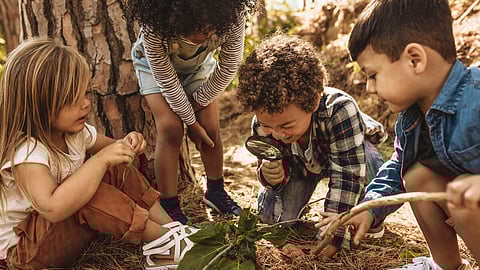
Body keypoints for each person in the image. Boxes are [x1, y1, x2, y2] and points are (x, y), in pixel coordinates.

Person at [0, 38, 198, 270]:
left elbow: (114, 150)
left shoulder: (75, 133)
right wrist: (101, 160)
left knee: (114, 167)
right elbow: (53, 209)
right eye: (71, 100)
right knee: (88, 191)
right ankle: (163, 242)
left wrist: (128, 143)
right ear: (37, 105)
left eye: (85, 94)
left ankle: (171, 229)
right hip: (24, 254)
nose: (85, 105)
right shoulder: (28, 154)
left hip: (58, 236)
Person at [343, 0, 480, 269]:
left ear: (414, 59)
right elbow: (397, 167)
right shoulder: (411, 118)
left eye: (373, 75)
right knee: (416, 174)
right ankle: (445, 265)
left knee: (465, 184)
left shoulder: (475, 96)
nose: (370, 88)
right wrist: (369, 209)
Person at [236, 34, 387, 257]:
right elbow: (267, 169)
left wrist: (332, 236)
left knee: (371, 162)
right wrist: (271, 177)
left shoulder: (340, 110)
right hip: (301, 167)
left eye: (287, 124)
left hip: (347, 156)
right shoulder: (264, 123)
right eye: (269, 126)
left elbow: (348, 175)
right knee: (271, 218)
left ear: (314, 101)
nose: (277, 133)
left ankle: (371, 217)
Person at [125, 0, 256, 224]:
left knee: (211, 127)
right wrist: (191, 124)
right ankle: (169, 204)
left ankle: (216, 191)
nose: (201, 35)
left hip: (198, 68)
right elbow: (166, 80)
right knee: (171, 128)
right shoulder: (154, 26)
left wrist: (196, 108)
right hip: (154, 69)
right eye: (193, 28)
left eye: (208, 29)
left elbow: (228, 67)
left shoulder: (232, 16)